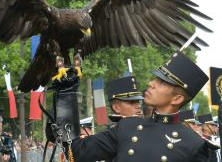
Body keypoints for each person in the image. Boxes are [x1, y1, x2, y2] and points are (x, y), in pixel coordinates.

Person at [67, 51, 210, 161]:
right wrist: (65, 97)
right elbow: (77, 152)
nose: (151, 83)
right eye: (155, 78)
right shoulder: (127, 126)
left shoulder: (194, 145)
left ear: (177, 99)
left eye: (161, 82)